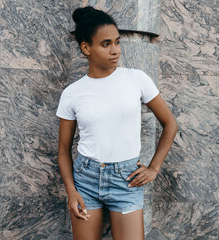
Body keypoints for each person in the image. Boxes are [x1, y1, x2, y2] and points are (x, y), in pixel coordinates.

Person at [56, 6, 178, 240]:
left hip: (126, 180)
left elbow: (169, 123)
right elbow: (63, 149)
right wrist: (71, 191)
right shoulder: (73, 93)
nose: (115, 50)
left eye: (117, 42)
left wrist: (154, 168)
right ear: (86, 48)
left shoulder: (136, 79)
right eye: (105, 44)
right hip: (86, 178)